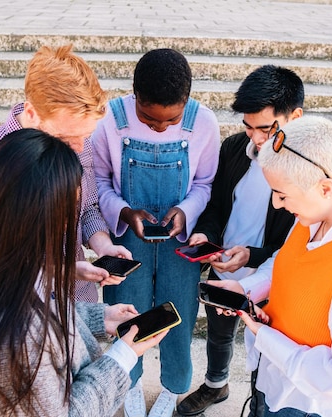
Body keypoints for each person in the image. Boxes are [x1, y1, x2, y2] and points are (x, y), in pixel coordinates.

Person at [0, 128, 167, 417]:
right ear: (35, 216)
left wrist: (99, 319)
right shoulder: (17, 333)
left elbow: (45, 311)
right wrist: (122, 356)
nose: (67, 224)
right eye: (66, 210)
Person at [212, 116, 332, 417]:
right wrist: (245, 289)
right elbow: (285, 262)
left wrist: (266, 337)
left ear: (326, 188)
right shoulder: (313, 214)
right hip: (271, 378)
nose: (276, 204)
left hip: (307, 405)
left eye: (282, 195)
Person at [91, 48, 221, 417]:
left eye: (170, 120)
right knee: (127, 314)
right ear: (134, 96)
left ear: (187, 102)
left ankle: (173, 388)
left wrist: (186, 210)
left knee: (178, 314)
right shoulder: (110, 121)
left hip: (180, 243)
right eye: (149, 119)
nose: (161, 127)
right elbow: (100, 181)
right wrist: (124, 211)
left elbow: (206, 182)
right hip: (127, 239)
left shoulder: (204, 123)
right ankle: (127, 383)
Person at [0, 44, 130, 302]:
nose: (79, 148)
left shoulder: (77, 139)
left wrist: (104, 246)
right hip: (18, 311)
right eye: (67, 139)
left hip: (78, 299)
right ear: (32, 113)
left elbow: (87, 207)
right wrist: (63, 271)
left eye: (86, 136)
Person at [177, 65, 303, 416]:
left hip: (275, 277)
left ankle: (260, 402)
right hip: (224, 264)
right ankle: (216, 385)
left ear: (295, 117)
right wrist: (207, 236)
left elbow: (298, 244)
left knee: (266, 348)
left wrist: (251, 256)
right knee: (218, 335)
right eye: (248, 127)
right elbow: (216, 206)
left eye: (265, 128)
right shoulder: (235, 148)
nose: (256, 138)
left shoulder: (304, 167)